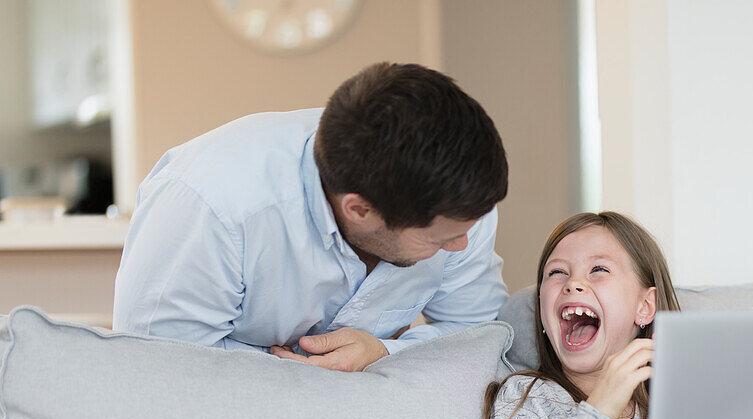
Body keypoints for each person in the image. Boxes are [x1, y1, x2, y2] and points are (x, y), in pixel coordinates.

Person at [113, 62, 509, 371]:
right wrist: (298, 377)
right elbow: (157, 370)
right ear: (360, 209)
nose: (460, 246)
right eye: (438, 239)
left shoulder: (458, 206)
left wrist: (385, 352)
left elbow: (481, 339)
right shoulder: (210, 207)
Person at [484, 212, 680, 419]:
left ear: (645, 307)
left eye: (599, 270)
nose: (573, 283)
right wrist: (598, 415)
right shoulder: (526, 399)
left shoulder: (673, 403)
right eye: (557, 272)